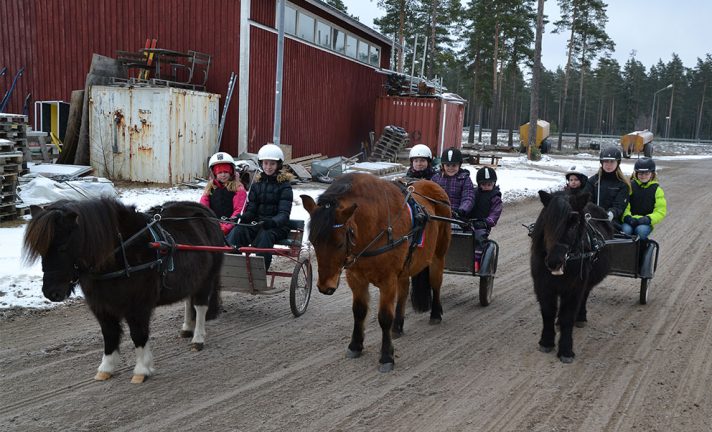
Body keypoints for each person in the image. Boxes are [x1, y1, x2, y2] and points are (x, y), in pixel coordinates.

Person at [227, 143, 294, 271]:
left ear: (278, 165)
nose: (268, 167)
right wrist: (243, 217)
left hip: (277, 226)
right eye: (265, 163)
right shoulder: (257, 185)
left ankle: (260, 271)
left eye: (272, 164)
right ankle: (232, 267)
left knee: (265, 235)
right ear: (261, 164)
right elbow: (252, 208)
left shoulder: (285, 186)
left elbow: (284, 214)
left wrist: (272, 222)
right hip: (258, 223)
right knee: (238, 231)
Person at [200, 152, 247, 237]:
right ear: (214, 173)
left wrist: (226, 227)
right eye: (219, 172)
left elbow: (239, 210)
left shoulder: (238, 189)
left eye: (226, 171)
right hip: (213, 226)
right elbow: (204, 208)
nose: (223, 174)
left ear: (231, 171)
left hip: (232, 227)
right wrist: (211, 224)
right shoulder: (210, 189)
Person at [621, 157, 666, 240]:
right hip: (630, 220)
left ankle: (641, 250)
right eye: (640, 173)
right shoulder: (630, 186)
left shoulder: (657, 190)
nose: (643, 176)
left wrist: (648, 219)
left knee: (640, 231)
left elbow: (660, 211)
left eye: (646, 173)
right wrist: (627, 217)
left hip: (645, 222)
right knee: (625, 230)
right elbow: (625, 205)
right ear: (636, 174)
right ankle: (624, 252)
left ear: (652, 174)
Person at [584, 145, 630, 224]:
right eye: (606, 161)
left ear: (618, 163)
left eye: (612, 162)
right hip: (592, 218)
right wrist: (593, 211)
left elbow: (619, 206)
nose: (608, 165)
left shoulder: (623, 184)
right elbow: (586, 200)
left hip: (612, 220)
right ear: (601, 162)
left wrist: (611, 213)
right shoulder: (592, 181)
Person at [469, 166, 503, 272]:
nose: (487, 187)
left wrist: (487, 221)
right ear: (479, 184)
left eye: (490, 184)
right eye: (484, 184)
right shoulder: (473, 193)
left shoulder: (495, 198)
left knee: (479, 237)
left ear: (494, 183)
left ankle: (476, 260)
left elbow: (495, 214)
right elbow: (468, 204)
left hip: (483, 225)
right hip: (469, 222)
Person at [431, 147, 475, 220]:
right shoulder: (436, 178)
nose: (450, 168)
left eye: (454, 165)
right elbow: (430, 195)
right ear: (443, 165)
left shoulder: (464, 179)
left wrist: (462, 210)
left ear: (459, 165)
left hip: (457, 216)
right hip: (437, 215)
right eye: (447, 165)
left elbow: (468, 197)